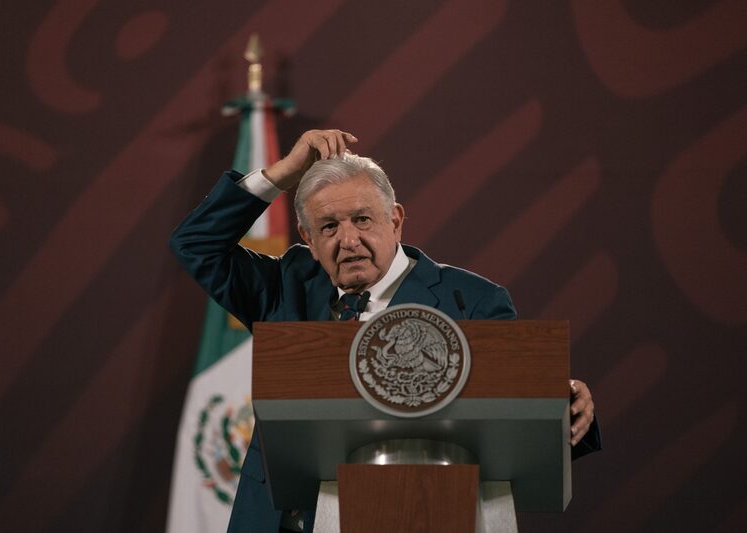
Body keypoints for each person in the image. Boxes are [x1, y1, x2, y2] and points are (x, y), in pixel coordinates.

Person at [170, 129, 600, 533]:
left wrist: (560, 402)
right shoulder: (288, 284)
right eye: (329, 227)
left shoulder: (470, 300)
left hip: (415, 517)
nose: (349, 240)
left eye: (362, 219)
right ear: (308, 237)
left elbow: (510, 405)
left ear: (395, 220)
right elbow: (195, 244)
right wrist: (280, 175)